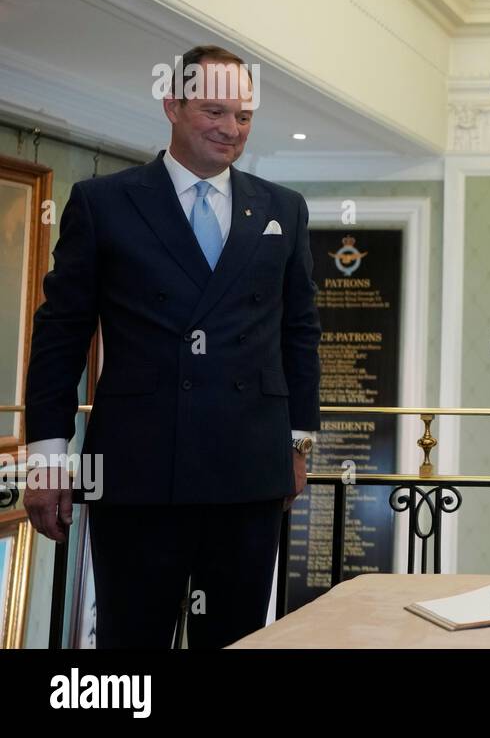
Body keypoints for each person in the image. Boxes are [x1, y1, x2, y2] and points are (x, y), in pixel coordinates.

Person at [23, 45, 322, 648]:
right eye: (215, 111)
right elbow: (61, 333)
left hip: (248, 472)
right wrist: (48, 455)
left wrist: (298, 441)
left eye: (243, 116)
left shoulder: (282, 209)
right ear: (172, 105)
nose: (231, 129)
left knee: (235, 638)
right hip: (139, 471)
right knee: (130, 643)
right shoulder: (104, 202)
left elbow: (299, 331)